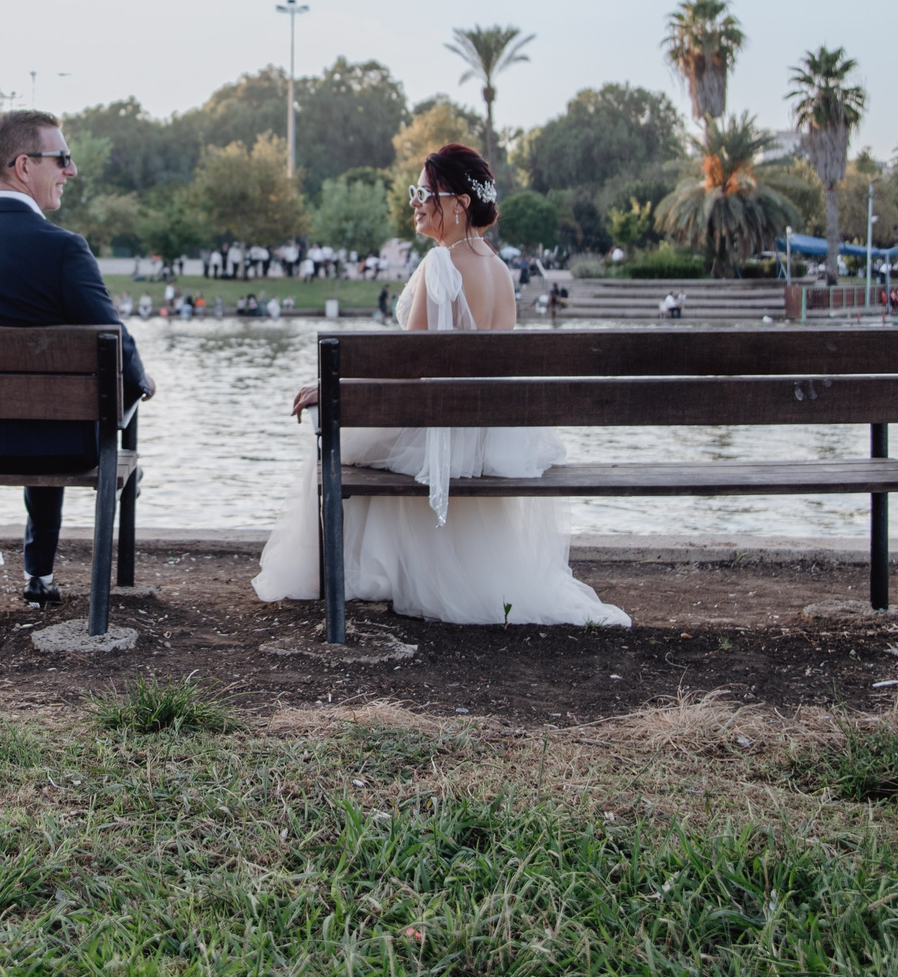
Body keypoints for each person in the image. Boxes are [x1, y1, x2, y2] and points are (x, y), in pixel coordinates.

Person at [255, 143, 627, 628]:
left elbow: (406, 365)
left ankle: (341, 574)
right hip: (485, 438)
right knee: (362, 437)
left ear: (459, 203)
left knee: (332, 437)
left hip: (441, 431)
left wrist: (332, 387)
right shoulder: (500, 270)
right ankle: (400, 567)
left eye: (424, 191)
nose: (415, 201)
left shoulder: (440, 265)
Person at [0, 109, 153, 608]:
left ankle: (39, 574)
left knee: (45, 409)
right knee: (91, 407)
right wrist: (141, 382)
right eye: (62, 159)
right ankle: (52, 572)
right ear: (24, 166)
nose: (71, 171)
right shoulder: (63, 249)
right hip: (61, 444)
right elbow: (113, 340)